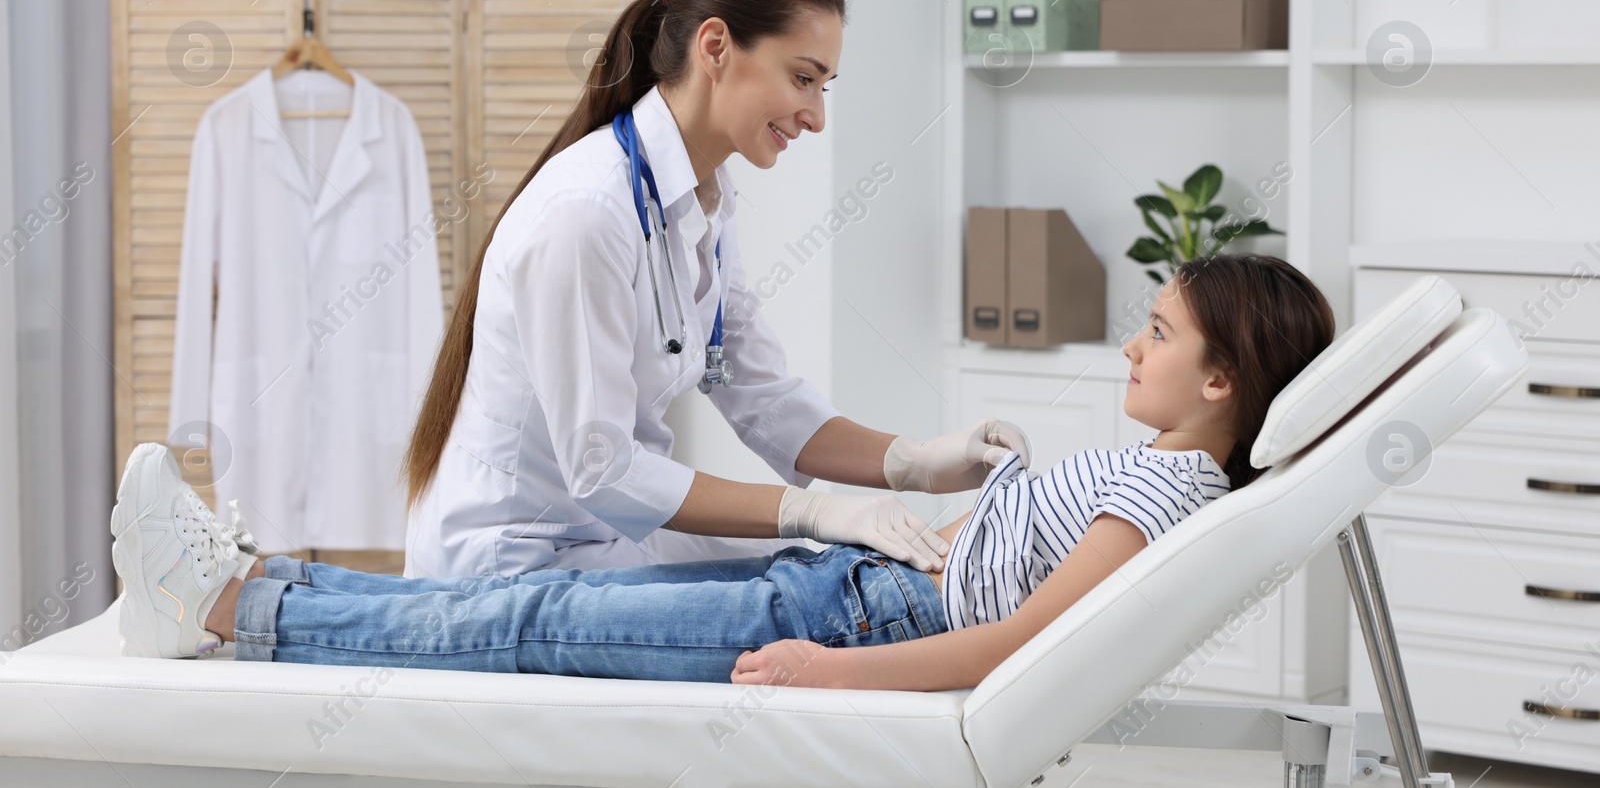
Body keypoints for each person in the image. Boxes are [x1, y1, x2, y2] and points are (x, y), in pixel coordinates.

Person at [111, 254, 1335, 690]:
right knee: (542, 604)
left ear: (1223, 380)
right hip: (847, 581)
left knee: (534, 619)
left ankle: (233, 600)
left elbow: (1018, 648)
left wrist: (835, 673)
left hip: (849, 616)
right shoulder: (1164, 467)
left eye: (1159, 333)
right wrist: (935, 478)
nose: (1133, 342)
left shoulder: (1165, 490)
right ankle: (247, 583)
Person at [399, 0, 1027, 579]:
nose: (816, 117)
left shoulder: (706, 199)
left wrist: (920, 461)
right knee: (823, 581)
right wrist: (814, 512)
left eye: (825, 86)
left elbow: (764, 397)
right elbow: (603, 469)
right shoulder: (586, 212)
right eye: (803, 78)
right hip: (512, 566)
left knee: (829, 568)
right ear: (716, 47)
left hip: (605, 538)